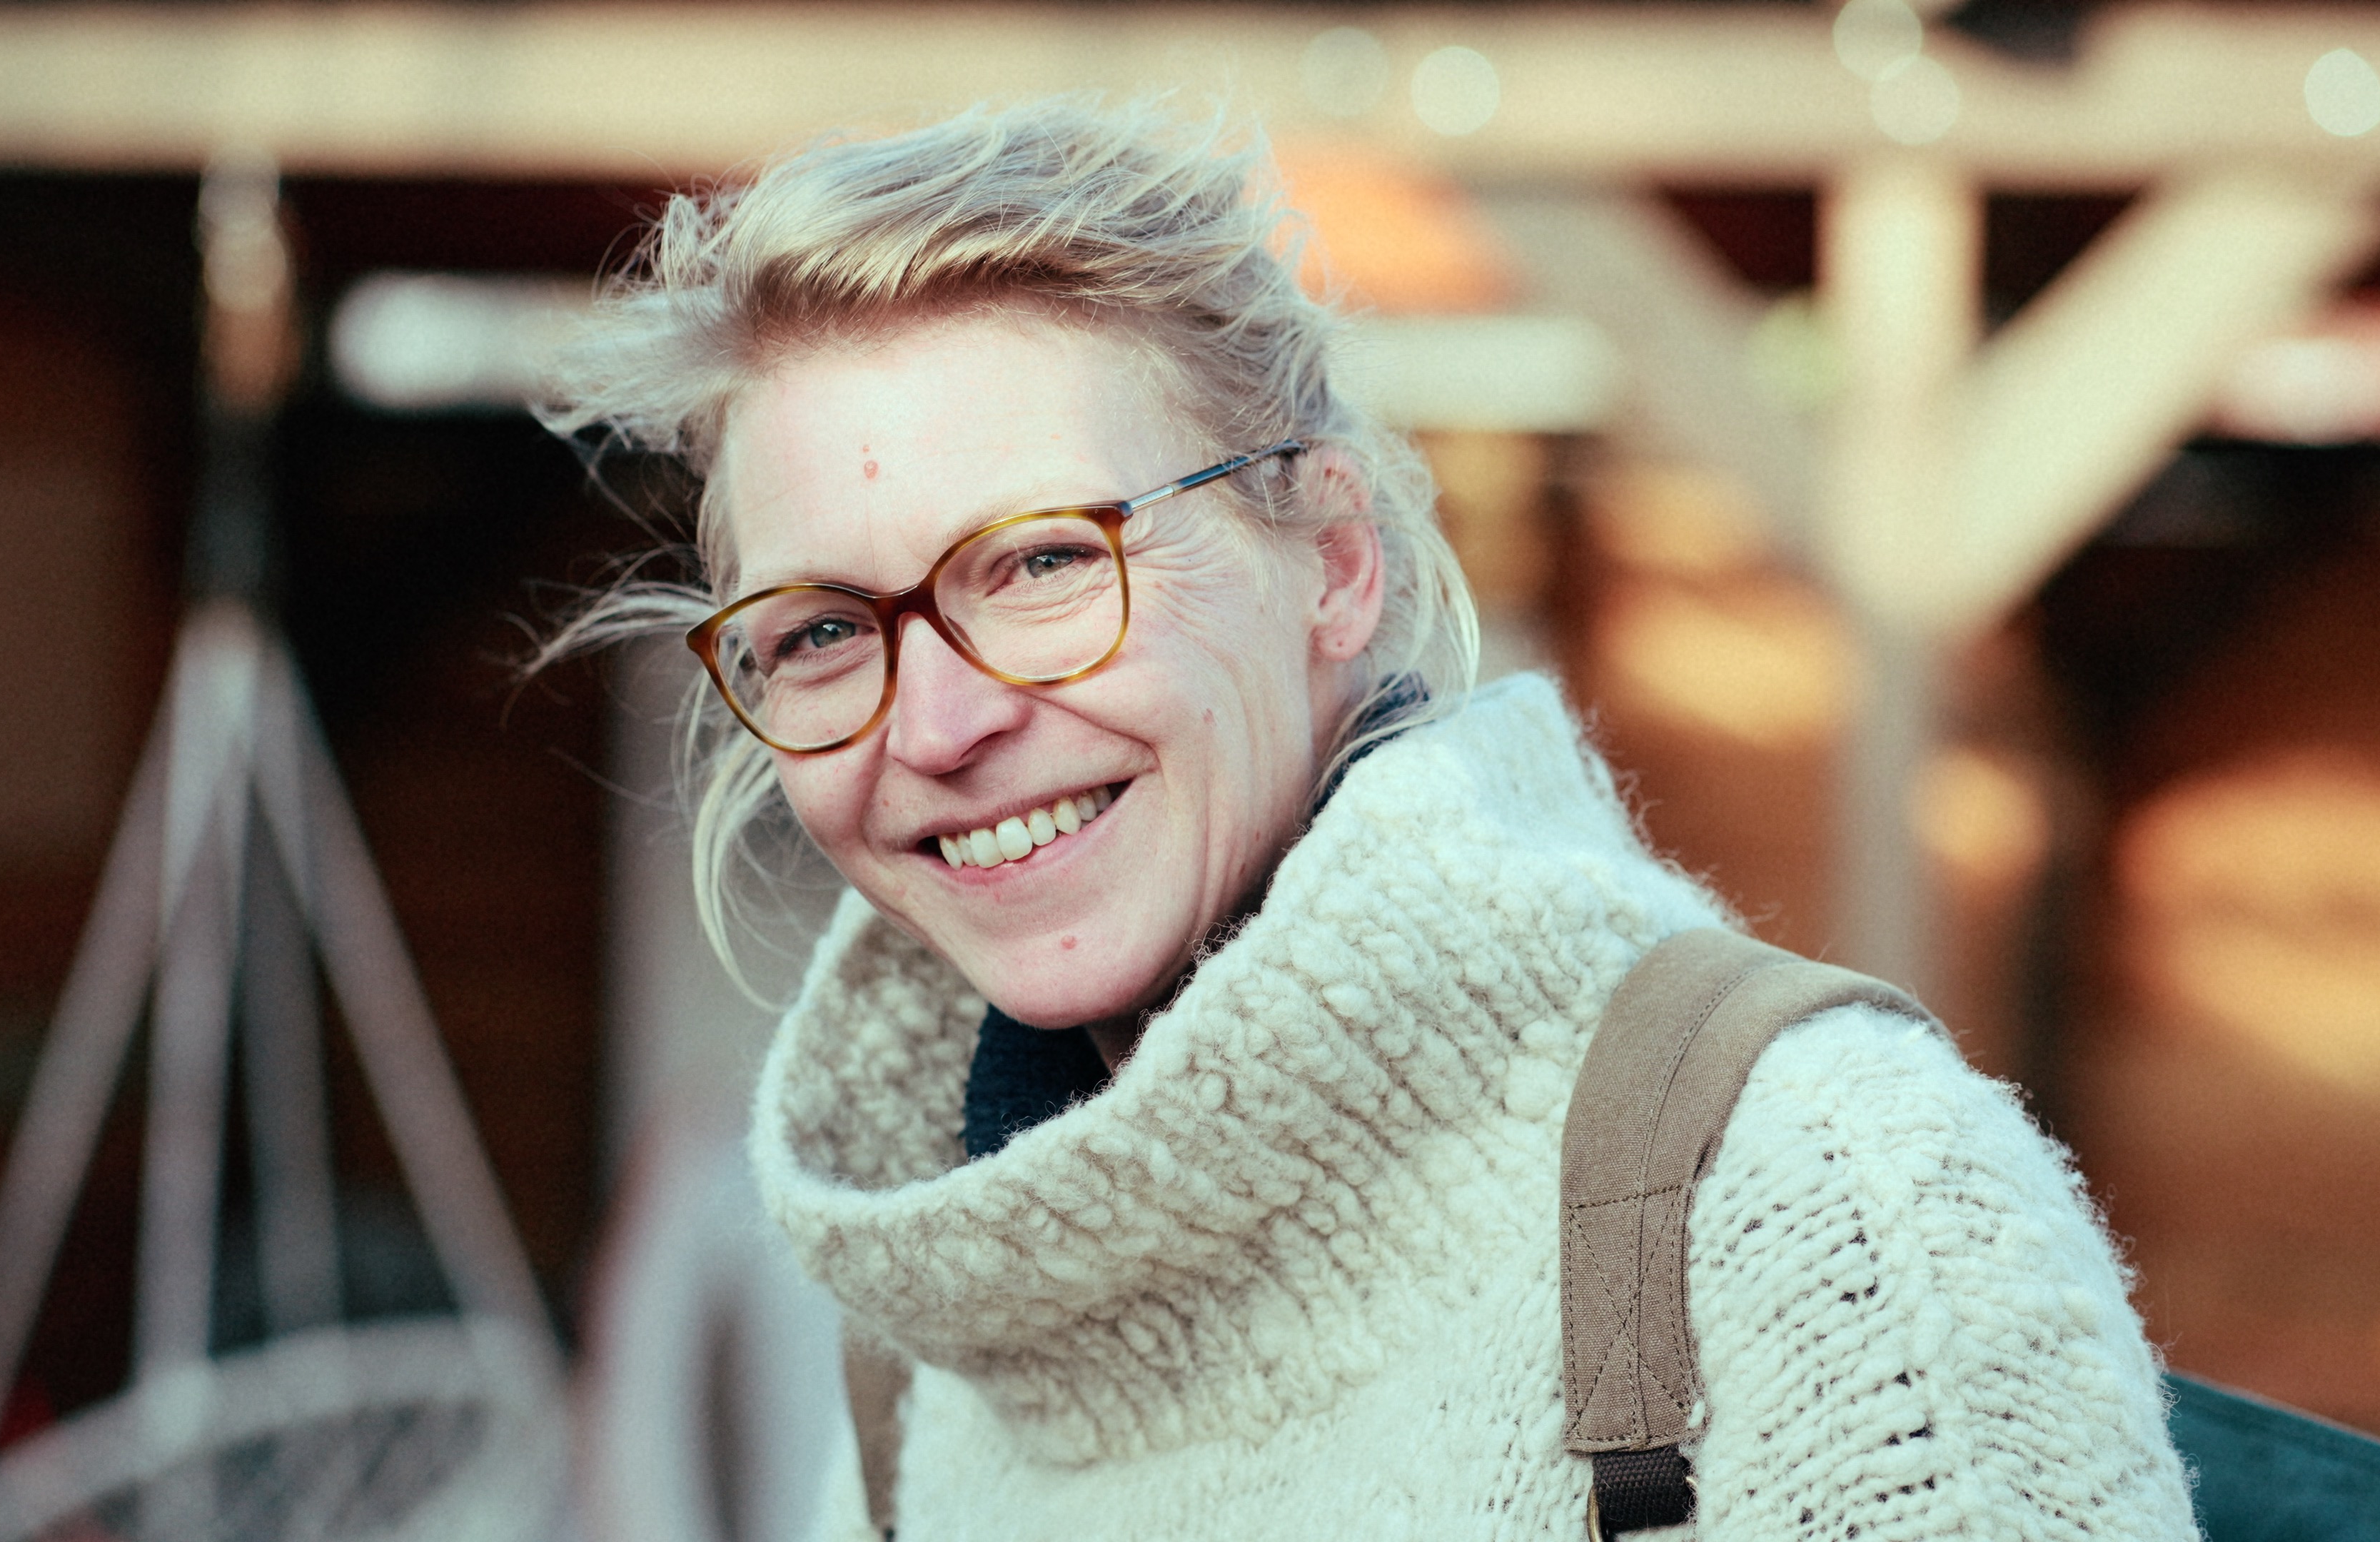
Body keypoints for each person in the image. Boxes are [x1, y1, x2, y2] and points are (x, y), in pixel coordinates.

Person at [540, 96, 2197, 1542]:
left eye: (1044, 564)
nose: (940, 724)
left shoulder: (1822, 1208)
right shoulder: (936, 1332)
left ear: (1335, 562)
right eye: (824, 632)